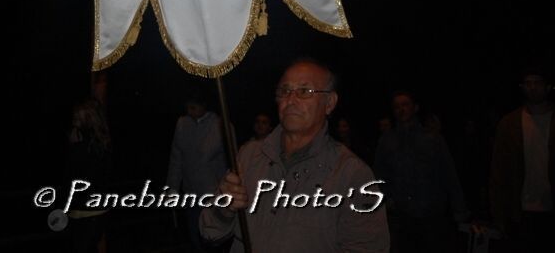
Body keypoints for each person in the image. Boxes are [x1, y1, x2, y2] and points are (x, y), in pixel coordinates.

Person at [200, 59, 389, 252]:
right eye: (284, 91)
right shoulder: (248, 155)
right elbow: (209, 232)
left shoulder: (352, 175)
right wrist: (223, 209)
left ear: (329, 103)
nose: (291, 100)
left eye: (304, 91)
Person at [489, 69, 555, 252]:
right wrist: (499, 214)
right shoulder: (509, 123)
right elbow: (499, 171)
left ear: (548, 87)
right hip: (520, 211)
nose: (533, 88)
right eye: (528, 83)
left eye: (538, 82)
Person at [373, 91, 468, 253]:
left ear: (415, 108)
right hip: (401, 217)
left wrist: (459, 209)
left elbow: (448, 174)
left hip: (432, 215)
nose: (401, 110)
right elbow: (378, 176)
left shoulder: (433, 138)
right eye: (397, 106)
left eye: (405, 105)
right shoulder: (386, 141)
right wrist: (385, 200)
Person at [166, 90, 227, 252]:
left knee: (214, 238)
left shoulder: (219, 124)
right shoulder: (182, 124)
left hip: (212, 194)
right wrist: (172, 187)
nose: (189, 111)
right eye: (188, 107)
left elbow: (225, 156)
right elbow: (176, 158)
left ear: (204, 106)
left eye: (193, 107)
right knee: (195, 237)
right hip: (190, 193)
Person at [67, 96, 112, 253]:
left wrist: (74, 148)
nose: (75, 118)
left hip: (86, 209)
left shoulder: (88, 144)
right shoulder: (101, 142)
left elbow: (78, 173)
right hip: (92, 208)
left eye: (79, 115)